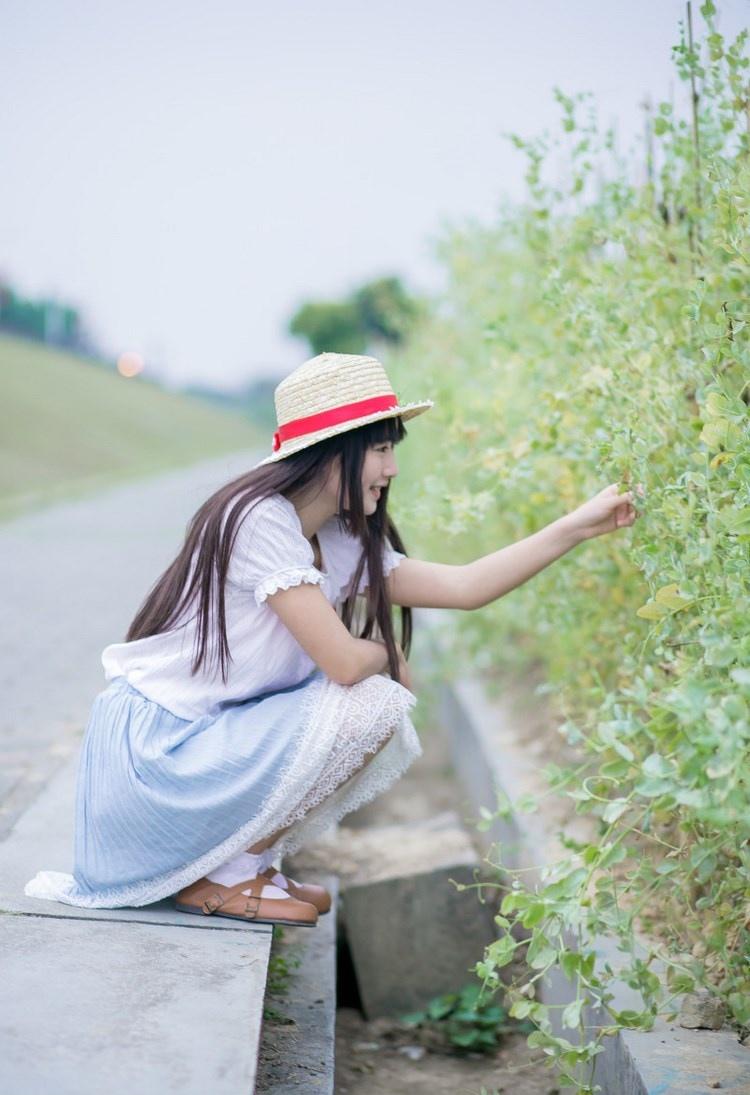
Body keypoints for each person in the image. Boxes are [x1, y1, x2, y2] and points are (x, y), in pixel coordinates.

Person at [25, 351, 640, 927]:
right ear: (329, 453)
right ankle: (226, 876)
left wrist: (576, 528)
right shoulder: (258, 521)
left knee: (379, 695)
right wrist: (387, 654)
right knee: (374, 695)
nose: (392, 468)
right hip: (152, 765)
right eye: (379, 449)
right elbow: (346, 664)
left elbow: (466, 585)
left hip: (200, 749)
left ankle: (246, 866)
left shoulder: (338, 539)